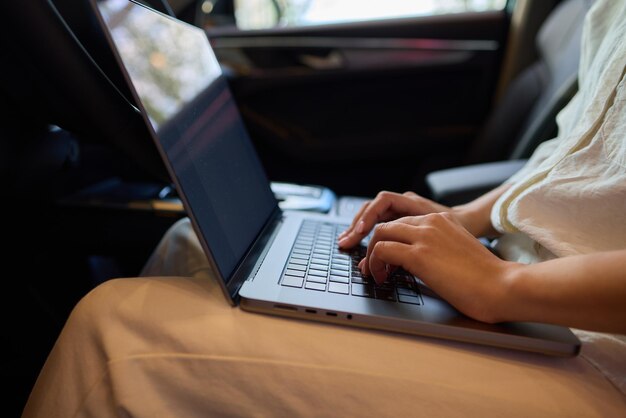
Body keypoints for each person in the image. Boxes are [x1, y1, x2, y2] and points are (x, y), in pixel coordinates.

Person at [22, 0, 626, 416]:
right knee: (190, 244)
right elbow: (573, 156)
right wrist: (466, 219)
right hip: (524, 281)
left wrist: (505, 286)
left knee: (114, 333)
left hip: (595, 347)